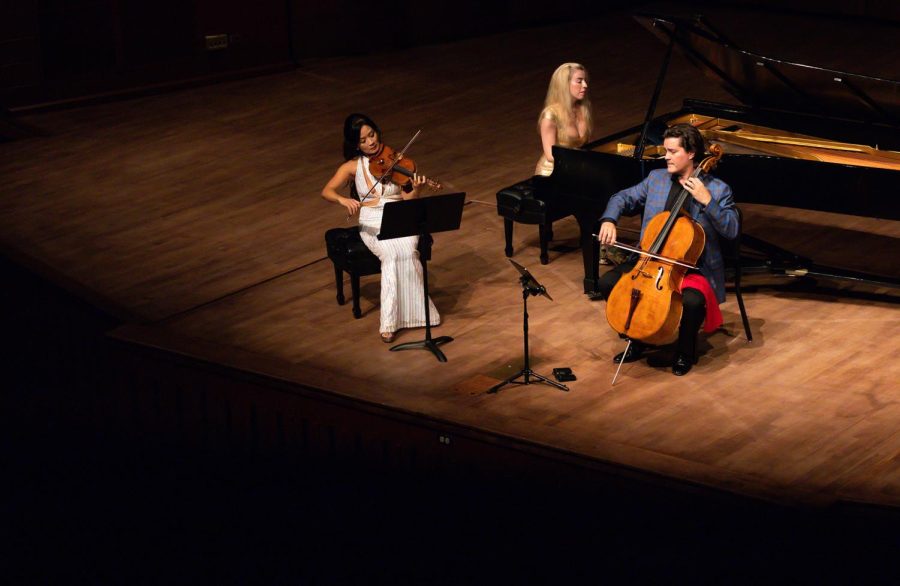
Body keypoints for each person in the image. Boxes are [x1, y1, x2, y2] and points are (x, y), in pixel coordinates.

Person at [596, 123, 738, 375]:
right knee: (608, 284)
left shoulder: (717, 189)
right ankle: (637, 339)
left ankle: (685, 352)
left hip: (694, 267)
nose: (666, 157)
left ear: (692, 153)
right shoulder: (656, 179)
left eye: (673, 152)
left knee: (693, 301)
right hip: (649, 261)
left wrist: (707, 201)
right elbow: (621, 198)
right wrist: (609, 219)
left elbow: (731, 230)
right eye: (665, 151)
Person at [321, 113, 440, 343]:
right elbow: (327, 191)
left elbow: (409, 200)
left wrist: (416, 189)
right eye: (363, 140)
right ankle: (389, 322)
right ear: (355, 144)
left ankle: (418, 315)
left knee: (408, 251)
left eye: (372, 135)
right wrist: (343, 200)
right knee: (390, 254)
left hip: (400, 215)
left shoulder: (397, 159)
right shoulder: (351, 167)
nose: (371, 142)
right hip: (372, 219)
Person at [534, 62, 592, 176]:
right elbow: (551, 155)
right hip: (553, 172)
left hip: (576, 167)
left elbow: (585, 145)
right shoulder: (550, 115)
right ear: (564, 84)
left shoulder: (583, 109)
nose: (585, 85)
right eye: (579, 81)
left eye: (585, 81)